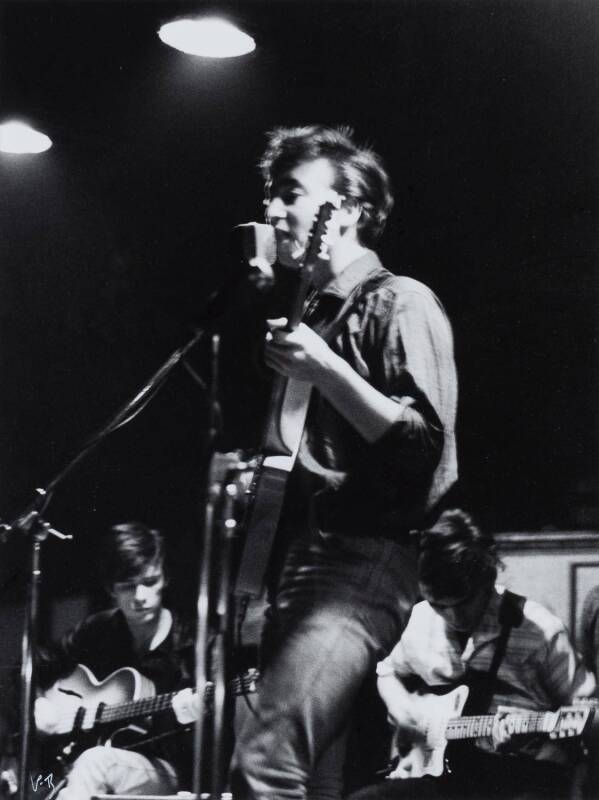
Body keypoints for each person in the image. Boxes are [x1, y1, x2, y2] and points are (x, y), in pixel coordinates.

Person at [231, 124, 459, 800]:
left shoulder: (401, 301)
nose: (273, 212)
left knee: (264, 765)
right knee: (312, 782)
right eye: (271, 196)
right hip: (305, 568)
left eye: (291, 195)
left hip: (363, 563)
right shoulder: (313, 319)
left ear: (349, 210)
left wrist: (327, 369)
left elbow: (422, 448)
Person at [348, 509, 596, 800]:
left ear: (486, 581)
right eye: (439, 605)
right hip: (445, 775)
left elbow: (589, 709)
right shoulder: (417, 619)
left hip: (524, 774)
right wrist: (403, 709)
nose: (453, 615)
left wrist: (536, 732)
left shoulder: (542, 629)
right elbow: (386, 672)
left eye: (464, 602)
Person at [34, 522, 198, 798]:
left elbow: (216, 742)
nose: (140, 597)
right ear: (111, 589)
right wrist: (39, 702)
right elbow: (31, 666)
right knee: (40, 787)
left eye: (149, 582)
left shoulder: (191, 642)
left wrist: (191, 717)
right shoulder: (98, 630)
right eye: (127, 587)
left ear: (165, 579)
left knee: (95, 762)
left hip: (167, 771)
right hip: (82, 760)